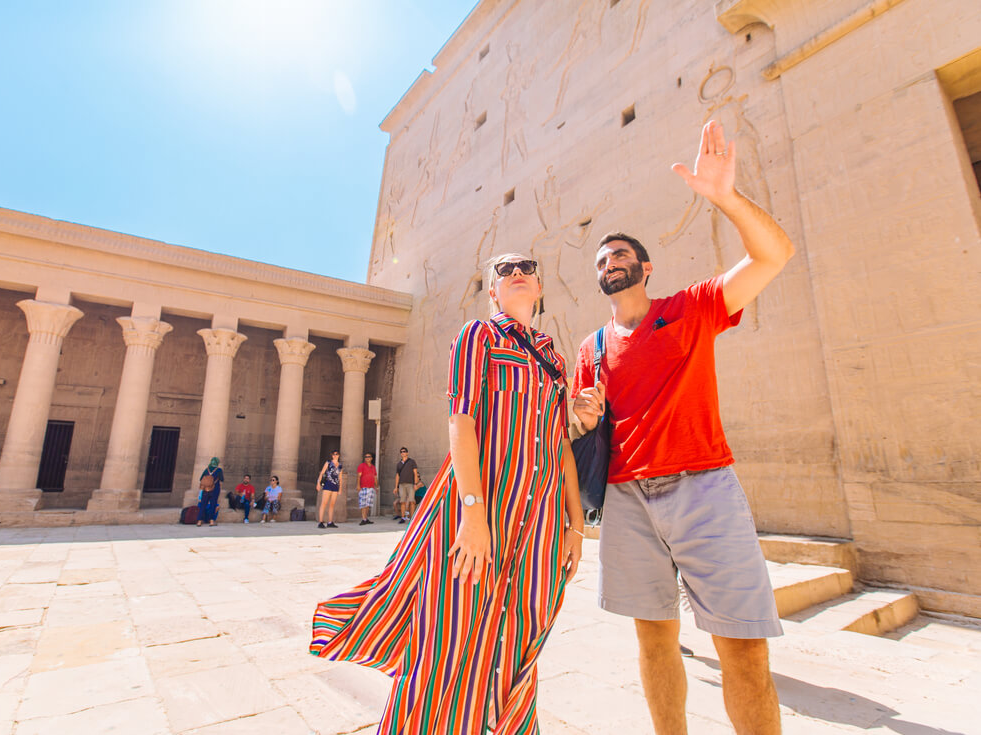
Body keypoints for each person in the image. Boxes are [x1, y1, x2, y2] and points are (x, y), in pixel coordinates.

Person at [571, 120, 794, 735]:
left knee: (744, 651)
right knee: (654, 645)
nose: (610, 262)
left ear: (644, 266)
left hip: (704, 491)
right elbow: (582, 432)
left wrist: (725, 197)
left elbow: (774, 255)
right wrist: (583, 419)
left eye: (620, 254)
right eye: (601, 259)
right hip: (627, 501)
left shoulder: (692, 307)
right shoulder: (587, 348)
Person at [312, 253, 585, 734]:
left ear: (539, 287)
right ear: (492, 291)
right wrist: (473, 512)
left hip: (540, 521)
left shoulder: (553, 358)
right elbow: (461, 420)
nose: (515, 272)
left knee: (521, 633)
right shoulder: (479, 336)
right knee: (450, 633)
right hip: (480, 507)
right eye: (503, 270)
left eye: (526, 267)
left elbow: (560, 442)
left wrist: (575, 525)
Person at [316, 450, 343, 529]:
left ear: (339, 455)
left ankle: (330, 522)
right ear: (331, 455)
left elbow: (340, 478)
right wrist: (318, 483)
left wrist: (340, 488)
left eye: (336, 454)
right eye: (333, 454)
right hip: (328, 484)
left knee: (332, 504)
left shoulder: (340, 466)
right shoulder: (328, 462)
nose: (335, 455)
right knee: (324, 503)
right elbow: (322, 473)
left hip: (335, 486)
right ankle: (320, 522)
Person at [393, 447, 420, 524]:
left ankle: (412, 518)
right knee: (402, 502)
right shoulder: (399, 464)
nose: (403, 453)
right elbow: (397, 475)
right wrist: (396, 487)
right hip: (401, 485)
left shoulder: (412, 462)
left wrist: (415, 484)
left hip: (410, 484)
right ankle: (403, 518)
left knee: (411, 501)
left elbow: (415, 473)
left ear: (407, 453)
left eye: (404, 451)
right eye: (401, 452)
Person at [356, 452, 377, 526]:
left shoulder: (373, 467)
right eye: (366, 457)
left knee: (368, 504)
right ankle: (363, 519)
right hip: (363, 487)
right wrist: (358, 485)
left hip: (371, 488)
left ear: (371, 458)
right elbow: (359, 476)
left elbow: (375, 477)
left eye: (369, 456)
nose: (367, 458)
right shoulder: (361, 466)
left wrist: (376, 486)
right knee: (363, 504)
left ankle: (366, 518)